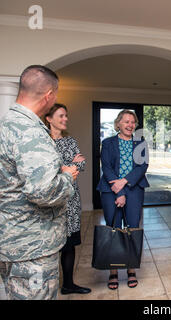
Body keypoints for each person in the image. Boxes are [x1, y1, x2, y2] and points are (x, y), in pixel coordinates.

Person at [0, 65, 78, 300]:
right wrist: (67, 175)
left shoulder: (6, 124)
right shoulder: (31, 132)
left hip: (11, 239)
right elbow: (44, 191)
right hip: (33, 246)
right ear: (49, 96)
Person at [96, 109, 149, 290]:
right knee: (114, 228)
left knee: (132, 229)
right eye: (126, 121)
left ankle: (131, 268)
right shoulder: (108, 142)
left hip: (134, 189)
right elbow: (107, 166)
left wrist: (125, 182)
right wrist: (119, 191)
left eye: (133, 122)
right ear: (118, 123)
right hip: (111, 190)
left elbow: (143, 166)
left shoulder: (140, 142)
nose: (130, 125)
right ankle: (113, 271)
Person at [44, 103, 91, 295]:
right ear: (49, 118)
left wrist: (66, 168)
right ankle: (47, 288)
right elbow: (44, 172)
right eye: (61, 116)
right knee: (49, 246)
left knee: (69, 245)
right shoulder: (42, 143)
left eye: (66, 116)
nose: (65, 119)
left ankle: (68, 284)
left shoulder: (70, 141)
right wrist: (66, 168)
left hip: (71, 200)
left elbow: (81, 165)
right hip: (49, 201)